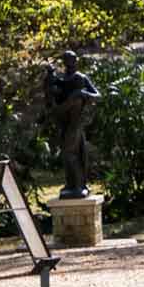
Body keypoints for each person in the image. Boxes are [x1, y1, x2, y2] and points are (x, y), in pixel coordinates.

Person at [44, 51, 101, 198]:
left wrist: (82, 94)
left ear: (75, 61)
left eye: (71, 60)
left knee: (70, 152)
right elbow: (50, 93)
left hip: (76, 121)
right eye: (66, 60)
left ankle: (78, 185)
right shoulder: (61, 79)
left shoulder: (80, 78)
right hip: (64, 121)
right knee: (69, 153)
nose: (69, 63)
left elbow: (98, 96)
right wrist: (49, 75)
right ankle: (72, 184)